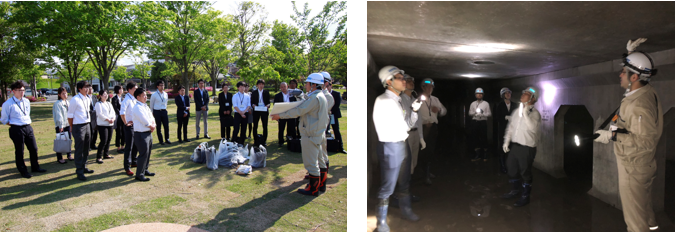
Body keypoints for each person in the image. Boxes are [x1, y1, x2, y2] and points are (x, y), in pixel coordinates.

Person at [593, 38, 662, 232]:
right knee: (644, 209)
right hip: (644, 164)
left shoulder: (639, 106)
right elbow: (633, 89)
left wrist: (611, 135)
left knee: (634, 222)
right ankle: (653, 227)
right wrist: (629, 55)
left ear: (634, 78)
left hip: (633, 168)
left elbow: (645, 142)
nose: (620, 74)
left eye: (624, 71)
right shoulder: (644, 90)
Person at [371, 66, 422, 232]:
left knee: (404, 181)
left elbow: (407, 124)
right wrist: (409, 119)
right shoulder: (384, 101)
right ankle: (381, 223)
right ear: (388, 81)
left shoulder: (398, 100)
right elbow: (404, 127)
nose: (404, 81)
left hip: (402, 143)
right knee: (387, 186)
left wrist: (414, 111)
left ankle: (406, 210)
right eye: (400, 78)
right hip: (391, 145)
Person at [271, 73, 330, 197]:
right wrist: (300, 97)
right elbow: (306, 106)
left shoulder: (314, 98)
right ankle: (321, 185)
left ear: (313, 85)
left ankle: (313, 189)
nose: (305, 85)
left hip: (311, 133)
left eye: (307, 83)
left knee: (311, 163)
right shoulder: (320, 96)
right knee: (320, 160)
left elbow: (299, 110)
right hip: (318, 133)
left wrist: (280, 115)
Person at [501, 87, 541, 207]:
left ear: (533, 99)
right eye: (523, 93)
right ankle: (515, 190)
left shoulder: (535, 114)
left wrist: (525, 112)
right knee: (511, 167)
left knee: (525, 172)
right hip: (515, 146)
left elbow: (532, 128)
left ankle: (525, 196)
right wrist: (506, 142)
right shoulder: (515, 112)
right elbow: (510, 128)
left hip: (527, 148)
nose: (523, 95)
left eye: (527, 94)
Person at [390, 74, 425, 208]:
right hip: (405, 135)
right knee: (404, 166)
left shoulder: (414, 100)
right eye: (408, 81)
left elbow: (419, 119)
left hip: (415, 134)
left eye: (412, 81)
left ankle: (405, 193)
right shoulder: (399, 100)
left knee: (412, 164)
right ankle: (399, 195)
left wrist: (421, 137)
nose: (411, 83)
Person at [1, 81, 46, 179]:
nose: (22, 92)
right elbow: (4, 119)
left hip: (28, 126)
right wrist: (14, 124)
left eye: (23, 90)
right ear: (13, 91)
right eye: (19, 90)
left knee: (33, 148)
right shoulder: (8, 104)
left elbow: (27, 114)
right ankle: (23, 170)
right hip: (16, 128)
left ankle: (35, 166)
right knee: (20, 150)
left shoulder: (26, 101)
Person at [417, 78, 446, 185]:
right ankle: (424, 173)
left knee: (430, 150)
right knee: (423, 151)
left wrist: (439, 110)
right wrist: (424, 122)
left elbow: (444, 111)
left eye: (432, 87)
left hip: (433, 128)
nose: (430, 89)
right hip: (423, 128)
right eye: (428, 87)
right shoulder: (418, 100)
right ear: (422, 87)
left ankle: (427, 172)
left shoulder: (435, 100)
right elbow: (414, 115)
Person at [67, 81, 94, 181]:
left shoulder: (87, 98)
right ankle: (79, 171)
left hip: (87, 124)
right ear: (79, 89)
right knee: (79, 148)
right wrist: (72, 126)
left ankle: (84, 166)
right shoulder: (75, 99)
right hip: (78, 126)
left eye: (88, 87)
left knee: (86, 147)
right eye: (85, 87)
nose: (87, 89)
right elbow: (70, 115)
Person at [129, 87, 157, 182]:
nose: (145, 97)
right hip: (141, 134)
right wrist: (150, 126)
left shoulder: (145, 106)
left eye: (145, 95)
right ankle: (139, 174)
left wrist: (153, 124)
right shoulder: (137, 107)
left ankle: (145, 169)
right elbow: (144, 120)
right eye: (143, 95)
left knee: (148, 153)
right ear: (138, 97)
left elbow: (151, 117)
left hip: (148, 132)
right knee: (143, 154)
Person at [493, 87, 517, 174]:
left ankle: (511, 166)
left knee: (512, 148)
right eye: (506, 93)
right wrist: (505, 117)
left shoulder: (515, 105)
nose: (508, 94)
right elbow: (497, 117)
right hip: (503, 130)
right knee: (503, 148)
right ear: (503, 95)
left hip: (513, 130)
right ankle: (502, 166)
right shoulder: (500, 105)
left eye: (509, 93)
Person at [120, 82, 139, 176]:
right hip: (129, 126)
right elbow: (122, 112)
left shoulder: (134, 99)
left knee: (135, 144)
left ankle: (134, 161)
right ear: (129, 89)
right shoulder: (126, 99)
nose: (136, 90)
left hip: (135, 125)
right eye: (135, 89)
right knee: (129, 146)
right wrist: (126, 122)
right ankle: (127, 167)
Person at [469, 87, 492, 162]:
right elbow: (469, 113)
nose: (479, 95)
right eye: (478, 94)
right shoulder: (473, 104)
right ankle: (477, 154)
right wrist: (475, 112)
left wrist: (482, 113)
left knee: (483, 137)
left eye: (480, 94)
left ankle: (484, 154)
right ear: (475, 95)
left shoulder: (486, 103)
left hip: (482, 122)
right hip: (475, 122)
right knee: (475, 138)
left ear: (483, 95)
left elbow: (489, 114)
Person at [94, 90, 116, 164]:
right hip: (103, 124)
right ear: (100, 96)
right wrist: (107, 119)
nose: (106, 96)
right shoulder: (98, 104)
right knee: (104, 140)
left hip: (110, 124)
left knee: (109, 139)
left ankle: (106, 154)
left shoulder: (109, 103)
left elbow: (113, 112)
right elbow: (100, 114)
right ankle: (99, 156)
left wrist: (113, 119)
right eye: (104, 94)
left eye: (106, 94)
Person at [53, 87, 73, 164]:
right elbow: (59, 115)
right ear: (59, 95)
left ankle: (69, 154)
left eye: (65, 93)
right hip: (61, 125)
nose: (65, 95)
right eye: (63, 93)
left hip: (68, 124)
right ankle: (59, 157)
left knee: (68, 140)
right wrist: (61, 125)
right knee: (60, 140)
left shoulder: (68, 102)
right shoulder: (58, 103)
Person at [273, 82, 296, 146]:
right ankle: (281, 141)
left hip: (290, 114)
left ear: (287, 86)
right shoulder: (277, 96)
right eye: (282, 87)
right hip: (281, 114)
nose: (283, 88)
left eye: (284, 86)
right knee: (281, 128)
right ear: (280, 88)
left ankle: (292, 141)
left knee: (292, 128)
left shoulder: (292, 94)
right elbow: (275, 106)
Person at [150, 80, 171, 145]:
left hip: (164, 111)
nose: (162, 87)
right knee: (158, 126)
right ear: (157, 86)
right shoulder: (154, 95)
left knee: (166, 126)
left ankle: (167, 139)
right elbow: (151, 104)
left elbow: (166, 102)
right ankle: (161, 140)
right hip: (157, 111)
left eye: (163, 85)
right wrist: (152, 112)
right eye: (161, 85)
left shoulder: (165, 94)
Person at [250, 79, 270, 144]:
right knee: (255, 126)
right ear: (257, 85)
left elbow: (269, 103)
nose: (261, 86)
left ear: (264, 85)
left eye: (262, 84)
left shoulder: (266, 92)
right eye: (259, 84)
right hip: (256, 110)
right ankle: (256, 140)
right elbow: (251, 102)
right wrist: (253, 105)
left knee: (265, 126)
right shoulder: (254, 92)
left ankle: (264, 141)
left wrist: (267, 106)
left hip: (264, 110)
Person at [111, 85, 125, 153]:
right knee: (118, 132)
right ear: (117, 90)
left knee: (123, 132)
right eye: (120, 89)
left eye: (122, 89)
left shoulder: (123, 98)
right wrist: (121, 113)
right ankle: (118, 147)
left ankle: (123, 146)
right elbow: (115, 108)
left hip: (123, 117)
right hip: (118, 117)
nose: (121, 90)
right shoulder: (114, 98)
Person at [88, 87, 98, 151]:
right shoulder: (86, 98)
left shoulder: (94, 97)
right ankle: (89, 145)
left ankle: (93, 144)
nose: (91, 90)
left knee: (95, 131)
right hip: (90, 116)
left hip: (96, 116)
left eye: (91, 89)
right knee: (90, 131)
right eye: (89, 89)